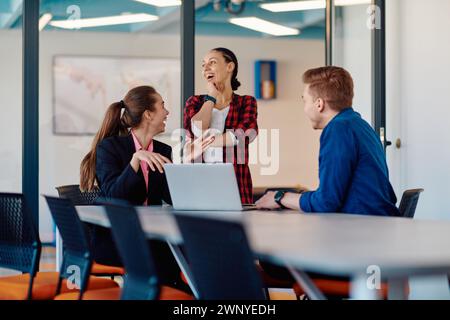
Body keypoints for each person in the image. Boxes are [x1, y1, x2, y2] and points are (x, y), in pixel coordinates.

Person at [79, 85, 186, 290]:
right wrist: (135, 161)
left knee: (185, 252)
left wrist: (179, 176)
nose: (167, 112)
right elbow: (113, 196)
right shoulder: (110, 148)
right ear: (148, 114)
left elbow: (171, 197)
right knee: (167, 259)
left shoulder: (163, 150)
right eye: (162, 105)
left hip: (152, 233)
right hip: (116, 237)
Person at [256, 66, 400, 217]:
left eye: (305, 101)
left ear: (319, 104)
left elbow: (326, 203)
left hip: (362, 229)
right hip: (375, 224)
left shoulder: (338, 129)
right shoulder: (359, 125)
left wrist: (279, 197)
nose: (304, 109)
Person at [183, 47, 258, 204]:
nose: (206, 68)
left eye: (212, 62)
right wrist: (211, 97)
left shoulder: (247, 102)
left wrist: (203, 142)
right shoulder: (195, 102)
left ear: (230, 67)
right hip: (200, 182)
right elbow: (196, 129)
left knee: (235, 227)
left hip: (237, 182)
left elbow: (243, 134)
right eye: (203, 64)